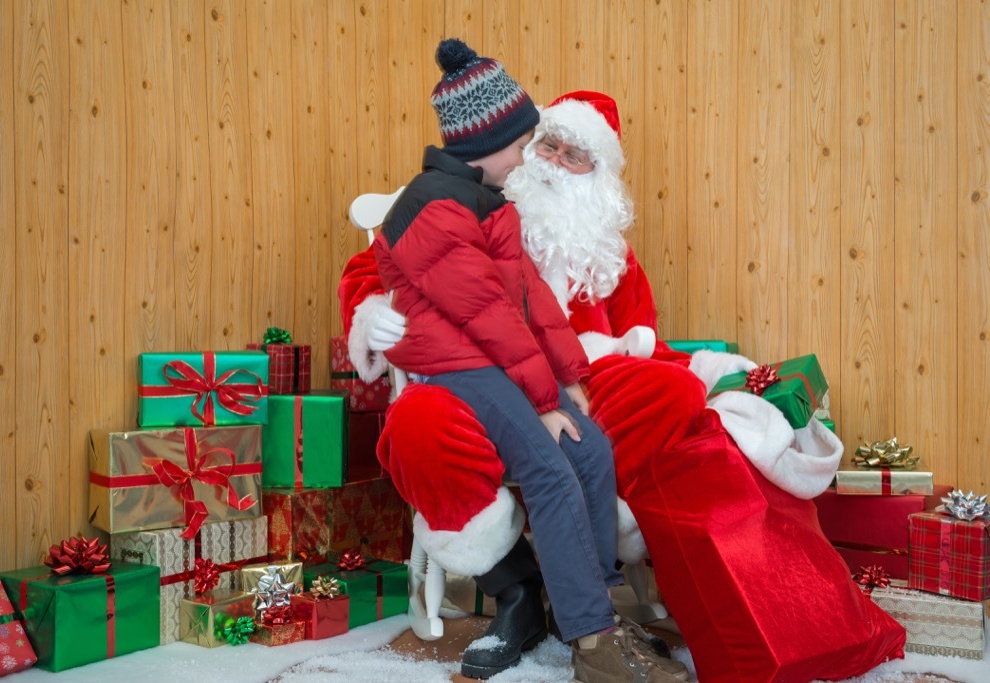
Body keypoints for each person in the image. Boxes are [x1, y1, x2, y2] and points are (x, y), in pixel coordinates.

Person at [341, 90, 906, 682]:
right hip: (463, 380)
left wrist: (683, 375)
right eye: (546, 147)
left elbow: (642, 346)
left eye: (575, 155)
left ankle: (587, 608)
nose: (555, 163)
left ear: (600, 174)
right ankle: (519, 593)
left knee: (665, 395)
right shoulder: (470, 205)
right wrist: (370, 310)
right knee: (418, 426)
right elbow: (378, 267)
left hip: (573, 384)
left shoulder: (612, 257)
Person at [365, 40, 684, 683]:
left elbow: (533, 299)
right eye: (523, 142)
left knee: (588, 447)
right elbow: (489, 317)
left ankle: (590, 613)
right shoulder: (434, 207)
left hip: (488, 358)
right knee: (550, 467)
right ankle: (594, 645)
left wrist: (570, 377)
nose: (528, 155)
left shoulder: (490, 198)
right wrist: (542, 402)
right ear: (487, 141)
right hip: (451, 364)